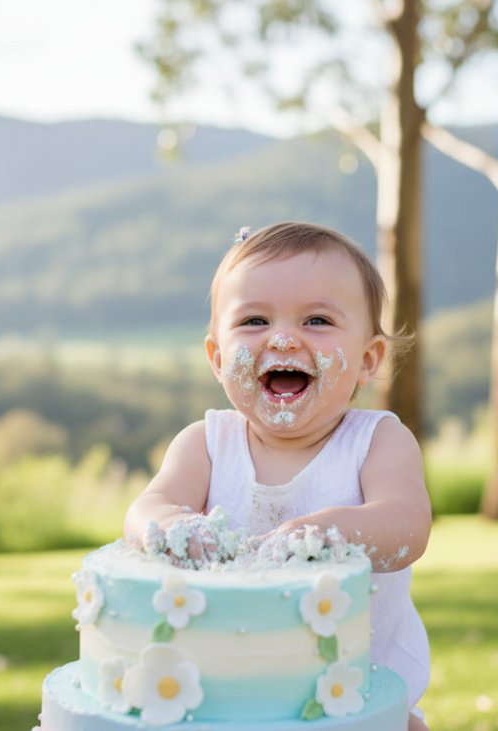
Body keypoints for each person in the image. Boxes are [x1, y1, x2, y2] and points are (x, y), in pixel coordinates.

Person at [123, 221, 432, 730]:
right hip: (222, 702)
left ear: (368, 359)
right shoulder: (205, 444)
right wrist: (174, 525)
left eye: (316, 320)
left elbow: (407, 525)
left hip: (359, 701)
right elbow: (144, 512)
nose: (284, 338)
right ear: (218, 360)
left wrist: (332, 532)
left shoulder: (378, 441)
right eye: (254, 321)